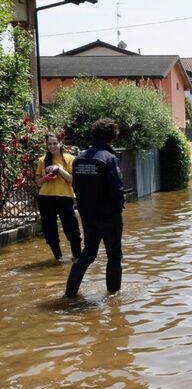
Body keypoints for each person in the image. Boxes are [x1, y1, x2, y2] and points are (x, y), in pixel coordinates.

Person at [65, 118, 126, 297]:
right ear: (111, 137)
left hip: (88, 215)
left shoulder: (79, 159)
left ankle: (69, 294)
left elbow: (76, 186)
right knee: (114, 255)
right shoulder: (109, 158)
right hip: (108, 216)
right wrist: (118, 207)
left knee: (88, 253)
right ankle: (113, 296)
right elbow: (117, 188)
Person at [35, 131, 82, 262]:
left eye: (55, 143)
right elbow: (38, 182)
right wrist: (46, 177)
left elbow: (73, 180)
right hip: (46, 197)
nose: (52, 146)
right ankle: (58, 259)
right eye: (49, 144)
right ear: (46, 145)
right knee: (50, 230)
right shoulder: (42, 160)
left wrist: (59, 169)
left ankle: (77, 257)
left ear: (60, 143)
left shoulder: (70, 159)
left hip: (65, 197)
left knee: (72, 228)